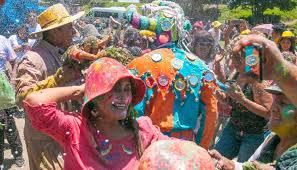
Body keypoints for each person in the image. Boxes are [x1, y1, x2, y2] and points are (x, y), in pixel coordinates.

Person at [23, 57, 172, 169]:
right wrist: (80, 90)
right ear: (95, 97)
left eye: (127, 89)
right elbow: (34, 101)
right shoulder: (76, 129)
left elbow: (180, 153)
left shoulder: (144, 131)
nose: (123, 96)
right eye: (114, 88)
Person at [126, 1, 218, 149]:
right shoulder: (201, 67)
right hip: (187, 146)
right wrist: (202, 148)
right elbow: (211, 112)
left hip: (150, 145)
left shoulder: (139, 65)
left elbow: (134, 112)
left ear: (155, 31)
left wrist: (135, 148)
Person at [15, 4, 84, 170]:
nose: (74, 32)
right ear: (55, 32)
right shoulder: (33, 59)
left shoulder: (62, 54)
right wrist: (56, 80)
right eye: (69, 27)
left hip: (62, 133)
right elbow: (21, 97)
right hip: (44, 139)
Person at [213, 33, 273, 162]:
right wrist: (216, 92)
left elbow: (268, 112)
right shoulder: (236, 73)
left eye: (237, 57)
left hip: (254, 134)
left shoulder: (257, 79)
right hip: (233, 128)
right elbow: (228, 99)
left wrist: (243, 100)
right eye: (233, 56)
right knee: (216, 161)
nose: (232, 61)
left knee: (244, 166)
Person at [210, 84, 297, 170]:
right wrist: (231, 165)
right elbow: (250, 166)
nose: (273, 108)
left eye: (283, 103)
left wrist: (243, 100)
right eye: (274, 101)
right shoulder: (272, 139)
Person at [233, 34, 297, 107]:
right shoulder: (247, 76)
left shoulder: (260, 83)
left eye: (241, 57)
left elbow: (268, 112)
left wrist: (243, 100)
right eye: (283, 42)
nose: (236, 64)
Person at [0, 35, 24, 168]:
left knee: (9, 122)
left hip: (2, 89)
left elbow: (14, 61)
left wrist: (13, 78)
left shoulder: (3, 40)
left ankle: (18, 154)